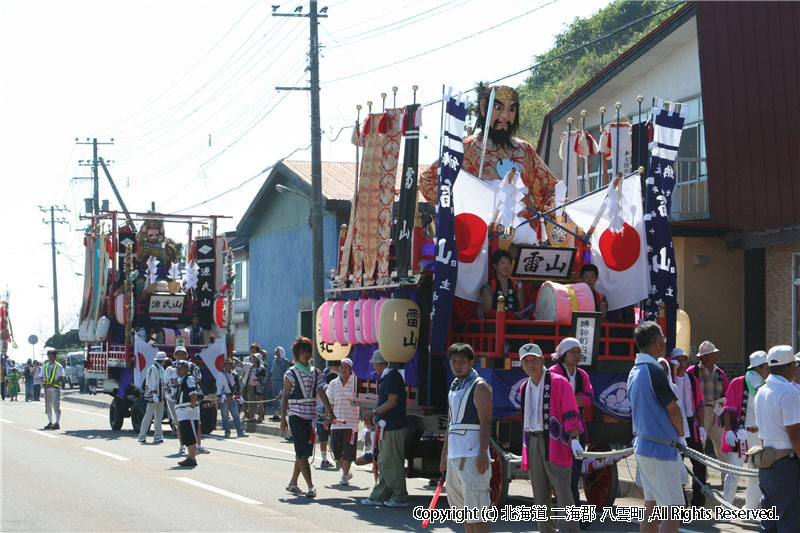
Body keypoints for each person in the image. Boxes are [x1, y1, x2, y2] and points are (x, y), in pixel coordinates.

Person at [420, 85, 559, 215]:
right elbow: (429, 181)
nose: (504, 116)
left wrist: (555, 203)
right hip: (478, 231)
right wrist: (464, 202)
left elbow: (550, 190)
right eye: (498, 107)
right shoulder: (466, 149)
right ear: (483, 108)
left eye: (511, 110)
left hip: (521, 233)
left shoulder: (524, 151)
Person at [518, 343, 582, 533]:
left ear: (542, 360)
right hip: (533, 439)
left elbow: (571, 410)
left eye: (533, 360)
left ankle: (570, 530)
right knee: (539, 493)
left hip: (556, 441)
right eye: (526, 361)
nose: (530, 364)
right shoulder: (524, 387)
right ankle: (546, 530)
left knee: (563, 490)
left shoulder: (559, 382)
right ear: (522, 365)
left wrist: (575, 438)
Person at [627, 322, 684, 533]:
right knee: (672, 509)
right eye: (663, 340)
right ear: (656, 341)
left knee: (651, 506)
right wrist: (682, 436)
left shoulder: (635, 370)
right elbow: (674, 410)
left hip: (643, 446)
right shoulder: (654, 370)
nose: (665, 345)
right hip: (660, 449)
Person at [439, 343, 492, 533]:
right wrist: (445, 455)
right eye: (454, 361)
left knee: (478, 511)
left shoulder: (480, 387)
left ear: (471, 363)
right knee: (464, 514)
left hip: (472, 456)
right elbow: (450, 424)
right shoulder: (454, 387)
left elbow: (486, 422)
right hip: (454, 456)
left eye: (462, 361)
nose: (457, 365)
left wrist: (483, 453)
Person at [752, 345, 800, 532]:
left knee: (769, 522)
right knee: (790, 521)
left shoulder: (763, 391)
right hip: (786, 463)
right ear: (790, 367)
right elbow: (795, 433)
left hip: (767, 462)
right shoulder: (789, 392)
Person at [280, 336, 332, 498]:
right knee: (302, 452)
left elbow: (321, 392)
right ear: (296, 354)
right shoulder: (290, 373)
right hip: (296, 417)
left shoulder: (316, 372)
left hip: (311, 418)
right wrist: (283, 419)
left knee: (304, 452)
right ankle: (310, 486)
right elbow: (285, 397)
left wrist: (329, 410)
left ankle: (293, 483)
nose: (305, 354)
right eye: (302, 352)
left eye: (307, 351)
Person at [360, 349, 410, 508]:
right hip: (388, 425)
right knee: (384, 461)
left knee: (391, 462)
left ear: (381, 363)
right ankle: (379, 495)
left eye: (375, 363)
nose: (374, 366)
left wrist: (373, 412)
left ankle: (399, 496)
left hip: (393, 426)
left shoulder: (392, 377)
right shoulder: (390, 376)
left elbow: (392, 401)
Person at [549, 337, 594, 508]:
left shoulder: (582, 375)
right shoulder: (553, 372)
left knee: (574, 474)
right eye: (573, 352)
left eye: (579, 352)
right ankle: (573, 514)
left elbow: (589, 399)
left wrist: (569, 400)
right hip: (556, 428)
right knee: (567, 474)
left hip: (577, 426)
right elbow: (555, 399)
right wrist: (573, 400)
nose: (577, 355)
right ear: (563, 354)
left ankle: (571, 514)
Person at [721, 350, 768, 508]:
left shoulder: (766, 386)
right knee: (734, 473)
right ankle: (726, 507)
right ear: (759, 368)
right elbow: (728, 408)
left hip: (758, 435)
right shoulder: (738, 383)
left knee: (755, 475)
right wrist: (728, 430)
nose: (768, 370)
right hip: (741, 434)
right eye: (766, 367)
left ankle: (750, 508)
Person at [668, 347, 707, 508]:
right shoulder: (669, 380)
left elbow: (700, 403)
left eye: (685, 359)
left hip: (691, 423)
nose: (683, 363)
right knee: (678, 465)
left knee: (700, 464)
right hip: (676, 425)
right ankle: (681, 504)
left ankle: (698, 503)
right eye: (680, 360)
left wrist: (702, 426)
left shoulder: (692, 379)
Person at [687, 340, 730, 475]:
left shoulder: (720, 373)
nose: (714, 357)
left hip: (717, 412)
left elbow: (727, 392)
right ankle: (702, 476)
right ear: (703, 357)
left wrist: (724, 402)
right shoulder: (692, 372)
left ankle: (727, 476)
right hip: (701, 412)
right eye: (712, 354)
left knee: (722, 446)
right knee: (701, 445)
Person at [327, 357, 360, 485]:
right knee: (336, 452)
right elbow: (329, 403)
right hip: (336, 422)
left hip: (351, 423)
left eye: (346, 367)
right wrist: (326, 419)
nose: (343, 370)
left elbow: (361, 399)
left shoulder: (356, 381)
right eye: (341, 367)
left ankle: (345, 475)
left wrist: (367, 418)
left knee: (349, 451)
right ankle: (347, 472)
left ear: (350, 369)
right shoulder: (333, 383)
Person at [172, 343, 208, 454]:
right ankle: (182, 445)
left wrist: (186, 377)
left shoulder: (193, 366)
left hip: (190, 397)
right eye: (178, 354)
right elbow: (172, 381)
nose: (180, 356)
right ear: (175, 355)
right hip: (177, 398)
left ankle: (198, 445)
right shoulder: (172, 367)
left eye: (182, 353)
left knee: (196, 423)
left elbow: (197, 378)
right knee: (180, 424)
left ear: (186, 354)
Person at [479, 250, 525, 318]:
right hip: (494, 326)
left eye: (508, 263)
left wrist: (516, 315)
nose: (506, 266)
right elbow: (487, 312)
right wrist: (505, 315)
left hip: (515, 325)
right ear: (495, 266)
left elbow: (522, 310)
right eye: (503, 263)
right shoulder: (488, 287)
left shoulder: (517, 285)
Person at [174, 361, 200, 467]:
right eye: (177, 369)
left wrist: (192, 407)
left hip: (188, 411)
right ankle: (190, 457)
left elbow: (193, 394)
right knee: (186, 433)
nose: (178, 371)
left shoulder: (189, 379)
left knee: (190, 433)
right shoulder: (182, 380)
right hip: (183, 410)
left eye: (180, 368)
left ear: (186, 369)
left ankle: (192, 458)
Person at [138, 351, 168, 444]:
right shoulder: (153, 368)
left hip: (160, 396)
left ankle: (158, 435)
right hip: (153, 396)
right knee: (148, 416)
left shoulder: (161, 368)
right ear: (162, 360)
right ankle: (142, 435)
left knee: (159, 416)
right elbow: (151, 382)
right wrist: (153, 393)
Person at [218, 357, 247, 438]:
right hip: (225, 397)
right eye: (227, 364)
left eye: (230, 364)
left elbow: (237, 386)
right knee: (224, 416)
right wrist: (221, 395)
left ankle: (240, 431)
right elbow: (219, 385)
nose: (229, 366)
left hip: (233, 397)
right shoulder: (221, 374)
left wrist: (239, 395)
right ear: (224, 365)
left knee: (236, 415)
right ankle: (227, 432)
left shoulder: (235, 374)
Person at [316, 371, 338, 468]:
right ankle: (338, 459)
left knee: (323, 440)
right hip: (329, 417)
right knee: (333, 439)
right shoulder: (332, 388)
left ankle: (324, 460)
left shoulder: (320, 388)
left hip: (319, 417)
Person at [242, 344, 266, 422]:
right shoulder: (250, 366)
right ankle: (251, 416)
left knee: (259, 402)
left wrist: (258, 379)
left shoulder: (262, 368)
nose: (253, 359)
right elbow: (242, 365)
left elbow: (264, 378)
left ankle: (260, 416)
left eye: (254, 358)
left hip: (258, 387)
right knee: (250, 401)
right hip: (250, 386)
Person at [41, 349, 64, 430]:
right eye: (49, 356)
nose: (50, 357)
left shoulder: (58, 366)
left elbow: (60, 377)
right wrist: (44, 382)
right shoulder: (45, 366)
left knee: (56, 406)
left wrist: (50, 384)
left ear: (55, 356)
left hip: (55, 389)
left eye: (51, 356)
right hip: (48, 389)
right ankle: (50, 422)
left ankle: (57, 423)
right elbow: (42, 376)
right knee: (48, 407)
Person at [270, 346, 291, 421]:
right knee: (274, 398)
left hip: (282, 381)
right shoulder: (274, 361)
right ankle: (276, 414)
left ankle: (284, 414)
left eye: (277, 351)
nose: (275, 352)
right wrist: (270, 382)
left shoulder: (285, 361)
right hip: (274, 381)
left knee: (282, 397)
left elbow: (287, 371)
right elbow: (272, 373)